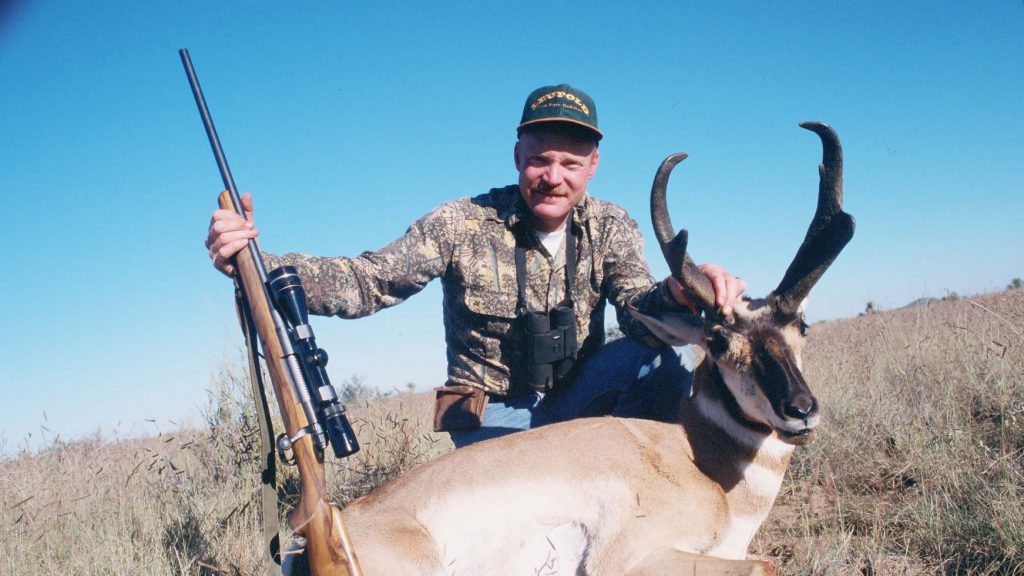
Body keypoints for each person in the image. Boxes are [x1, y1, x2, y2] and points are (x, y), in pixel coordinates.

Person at [206, 84, 746, 447]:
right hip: (495, 414)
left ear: (593, 167)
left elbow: (635, 307)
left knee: (658, 362)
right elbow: (370, 282)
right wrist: (254, 261)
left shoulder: (610, 225)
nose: (553, 176)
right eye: (540, 159)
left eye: (570, 163)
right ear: (517, 157)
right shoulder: (460, 223)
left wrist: (681, 290)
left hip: (578, 394)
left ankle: (651, 488)